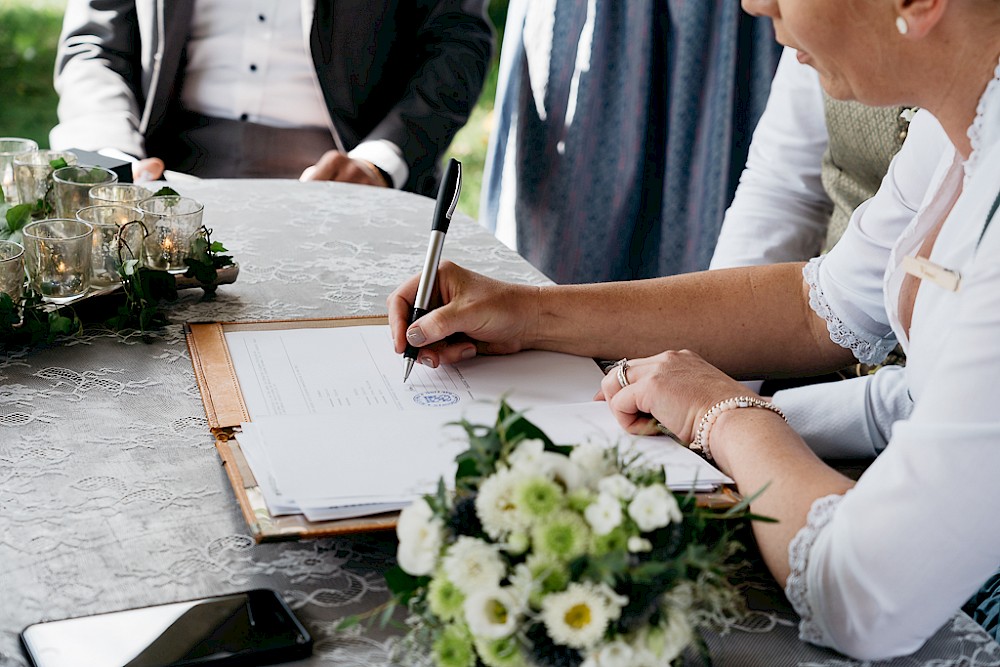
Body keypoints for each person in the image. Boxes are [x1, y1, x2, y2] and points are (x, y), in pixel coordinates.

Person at [387, 0, 1000, 658]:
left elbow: (868, 592)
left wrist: (723, 414)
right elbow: (817, 304)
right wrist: (529, 311)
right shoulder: (959, 120)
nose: (752, 4)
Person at [49, 0, 493, 196]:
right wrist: (112, 159)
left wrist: (379, 162)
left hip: (341, 177)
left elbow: (455, 39)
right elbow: (94, 44)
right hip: (163, 170)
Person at [478, 0, 781, 283]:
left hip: (712, 18)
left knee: (717, 231)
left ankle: (703, 319)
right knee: (562, 237)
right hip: (599, 16)